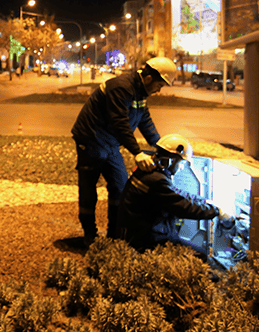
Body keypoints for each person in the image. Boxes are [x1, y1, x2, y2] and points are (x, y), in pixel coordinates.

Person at [70, 56, 178, 245]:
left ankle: (114, 237)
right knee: (89, 191)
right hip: (90, 141)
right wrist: (137, 152)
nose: (159, 90)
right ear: (150, 78)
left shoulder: (140, 92)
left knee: (120, 188)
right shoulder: (122, 87)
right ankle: (90, 236)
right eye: (160, 85)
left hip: (110, 143)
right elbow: (119, 122)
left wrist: (160, 146)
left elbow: (144, 120)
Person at [118, 134, 236, 255]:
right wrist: (216, 212)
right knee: (200, 255)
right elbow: (183, 207)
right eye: (182, 163)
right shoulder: (157, 179)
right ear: (172, 160)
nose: (181, 168)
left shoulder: (151, 171)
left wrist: (205, 202)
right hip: (147, 239)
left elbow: (177, 194)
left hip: (141, 232)